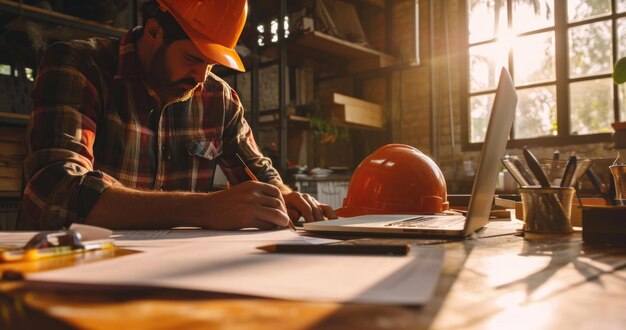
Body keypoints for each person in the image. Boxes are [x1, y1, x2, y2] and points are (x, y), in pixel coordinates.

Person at [20, 0, 336, 230]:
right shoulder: (78, 66)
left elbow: (259, 175)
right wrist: (203, 209)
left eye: (212, 64)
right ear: (155, 31)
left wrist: (285, 198)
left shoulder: (218, 98)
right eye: (191, 58)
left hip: (164, 271)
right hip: (65, 268)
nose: (200, 77)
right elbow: (55, 188)